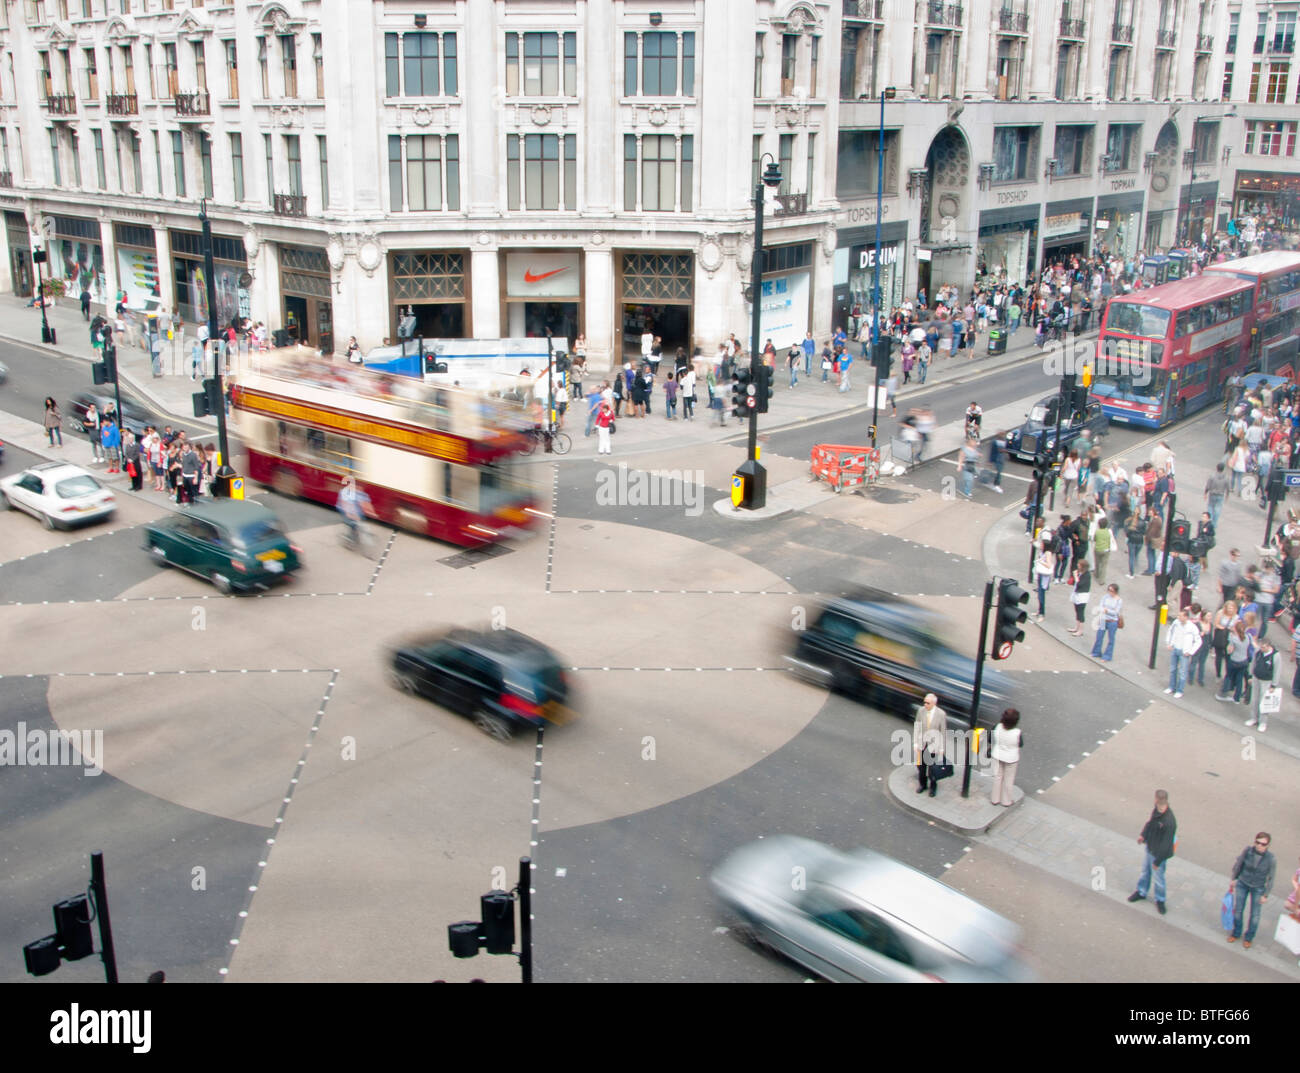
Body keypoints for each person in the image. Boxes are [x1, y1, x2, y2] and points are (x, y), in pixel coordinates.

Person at [1128, 790, 1177, 915]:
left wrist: (1158, 861)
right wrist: (1143, 835)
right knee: (1145, 872)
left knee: (1159, 878)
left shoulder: (1169, 821)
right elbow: (1150, 824)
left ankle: (1160, 900)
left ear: (1156, 799)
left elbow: (1166, 844)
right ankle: (1141, 891)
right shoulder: (1157, 811)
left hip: (1158, 854)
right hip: (1150, 847)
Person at [1228, 832, 1276, 948]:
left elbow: (1271, 877)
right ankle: (1236, 933)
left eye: (1263, 844)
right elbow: (1239, 864)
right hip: (1243, 883)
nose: (1259, 846)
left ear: (1268, 845)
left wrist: (1266, 895)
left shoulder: (1271, 859)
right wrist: (1234, 878)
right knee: (1238, 910)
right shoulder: (1248, 851)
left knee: (1255, 915)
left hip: (1258, 887)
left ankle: (1249, 937)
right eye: (1257, 842)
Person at [912, 693, 947, 798]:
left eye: (928, 703)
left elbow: (943, 731)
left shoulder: (941, 714)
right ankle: (922, 785)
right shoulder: (921, 711)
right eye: (924, 702)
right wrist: (915, 742)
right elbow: (917, 727)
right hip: (922, 744)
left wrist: (941, 748)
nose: (925, 704)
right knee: (921, 767)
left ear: (933, 704)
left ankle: (933, 787)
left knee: (933, 768)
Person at [1163, 608, 1201, 698]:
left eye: (1180, 615)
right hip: (1175, 648)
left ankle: (1180, 690)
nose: (1178, 617)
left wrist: (1191, 651)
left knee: (1182, 672)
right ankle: (1171, 687)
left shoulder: (1192, 627)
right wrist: (1169, 643)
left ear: (1186, 617)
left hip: (1184, 652)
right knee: (1173, 669)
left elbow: (1198, 641)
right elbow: (1170, 631)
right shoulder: (1176, 623)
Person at [990, 708, 1022, 807]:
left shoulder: (997, 727)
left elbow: (990, 739)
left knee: (997, 777)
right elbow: (1020, 744)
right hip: (1011, 758)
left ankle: (995, 799)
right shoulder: (1017, 732)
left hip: (997, 755)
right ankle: (1006, 801)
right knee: (1008, 779)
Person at [1245, 636, 1279, 731]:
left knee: (1264, 702)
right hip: (1256, 678)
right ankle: (1254, 718)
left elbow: (1277, 671)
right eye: (1261, 647)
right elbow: (1253, 663)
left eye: (1263, 647)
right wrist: (1250, 675)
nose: (1261, 649)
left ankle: (1263, 722)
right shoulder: (1258, 652)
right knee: (1254, 700)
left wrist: (1274, 685)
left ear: (1268, 646)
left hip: (1266, 681)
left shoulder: (1275, 656)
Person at [1090, 583, 1123, 661]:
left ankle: (1107, 656)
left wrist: (1107, 610)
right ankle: (1096, 652)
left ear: (1115, 591)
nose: (1109, 592)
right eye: (1109, 590)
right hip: (1103, 619)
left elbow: (1116, 612)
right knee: (1099, 636)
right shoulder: (1105, 597)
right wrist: (1102, 609)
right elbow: (1101, 605)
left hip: (1112, 621)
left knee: (1111, 639)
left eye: (1111, 591)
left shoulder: (1119, 600)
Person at [1068, 558, 1091, 635]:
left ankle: (1080, 630)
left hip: (1082, 596)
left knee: (1080, 613)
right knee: (1077, 611)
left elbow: (1080, 583)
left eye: (1079, 565)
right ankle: (1076, 627)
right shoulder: (1080, 573)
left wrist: (1075, 576)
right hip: (1077, 594)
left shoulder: (1087, 575)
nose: (1077, 566)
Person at [1033, 539, 1055, 620]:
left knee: (1041, 593)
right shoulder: (1043, 551)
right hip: (1040, 573)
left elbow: (1049, 565)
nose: (1041, 545)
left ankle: (1042, 613)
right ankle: (1039, 610)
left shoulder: (1048, 553)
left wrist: (1040, 562)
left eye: (1042, 544)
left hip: (1044, 575)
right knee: (1039, 592)